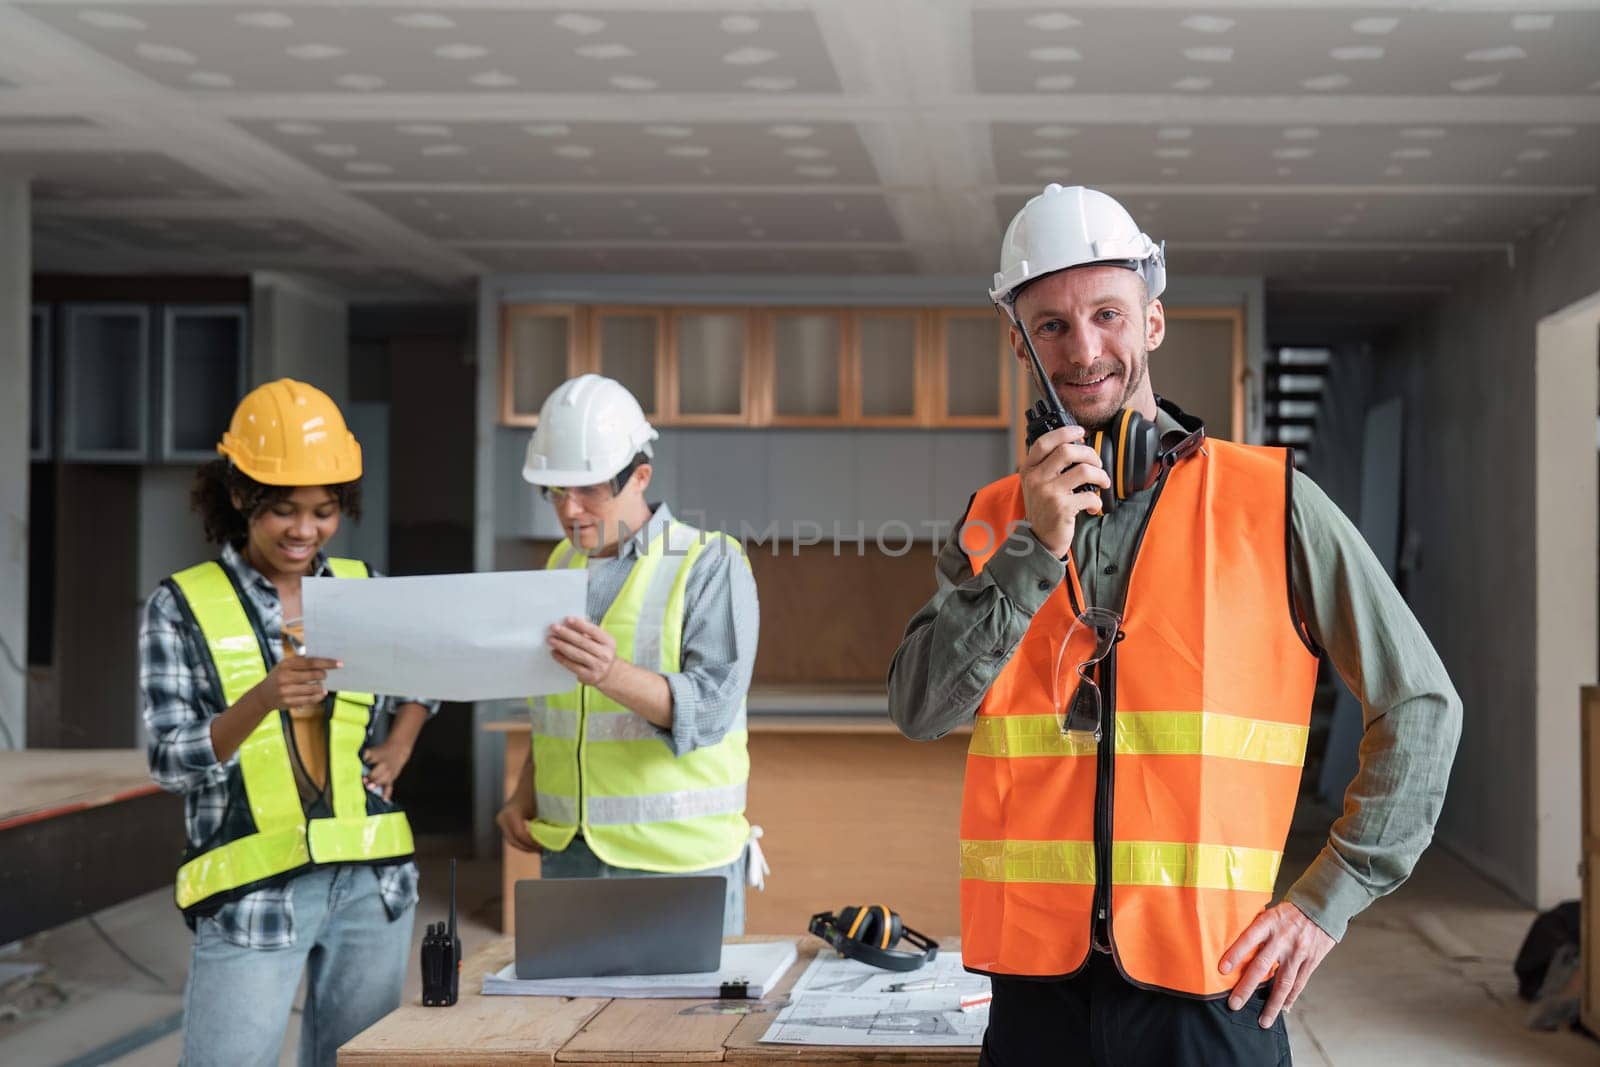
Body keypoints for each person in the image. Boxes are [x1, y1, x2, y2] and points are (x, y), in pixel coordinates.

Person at [887, 184, 1462, 1066]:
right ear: (1020, 344)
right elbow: (920, 707)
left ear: (1152, 321)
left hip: (1214, 990)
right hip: (1036, 994)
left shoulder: (1273, 504)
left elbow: (1421, 704)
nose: (1083, 349)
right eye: (1051, 326)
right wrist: (1032, 548)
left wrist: (1324, 902)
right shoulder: (993, 522)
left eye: (1107, 314)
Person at [140, 378, 437, 1067]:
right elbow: (168, 759)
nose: (305, 530)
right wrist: (259, 700)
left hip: (371, 881)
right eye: (284, 510)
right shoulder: (181, 605)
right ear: (240, 497)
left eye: (325, 510)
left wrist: (400, 740)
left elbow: (429, 672)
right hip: (254, 891)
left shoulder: (362, 588)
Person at [495, 374, 761, 935]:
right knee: (570, 1022)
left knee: (687, 1026)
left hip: (679, 859)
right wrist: (525, 793)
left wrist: (611, 674)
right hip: (570, 852)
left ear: (639, 475)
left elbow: (710, 709)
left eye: (588, 489)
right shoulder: (560, 567)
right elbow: (561, 711)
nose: (569, 511)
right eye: (554, 491)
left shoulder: (708, 562)